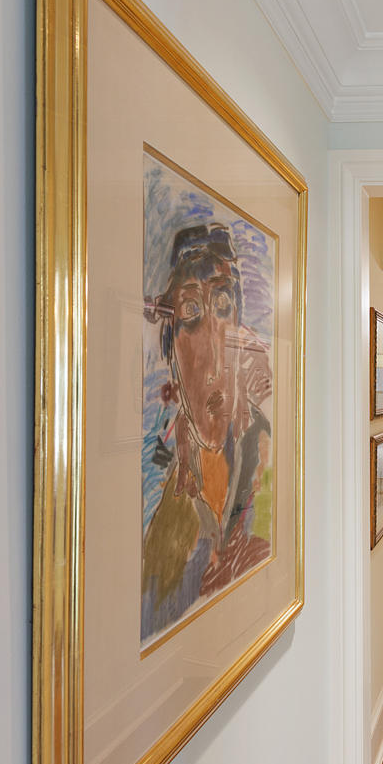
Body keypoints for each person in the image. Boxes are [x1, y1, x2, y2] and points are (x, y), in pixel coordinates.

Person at [140, 222, 273, 643]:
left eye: (222, 306)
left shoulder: (264, 455)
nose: (214, 358)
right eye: (191, 314)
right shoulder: (164, 515)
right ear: (172, 353)